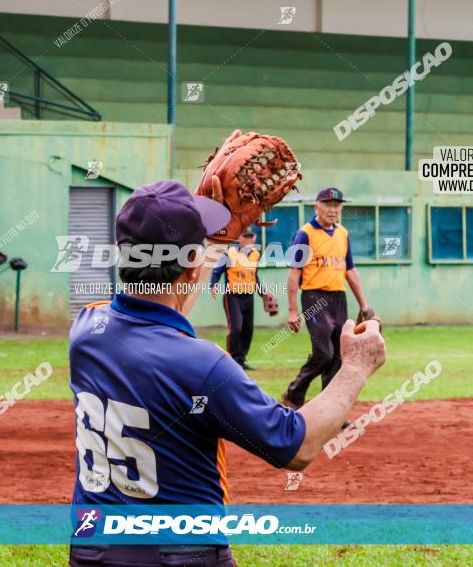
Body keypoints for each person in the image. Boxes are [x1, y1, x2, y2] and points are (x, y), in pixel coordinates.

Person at [68, 180, 386, 566]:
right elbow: (295, 446)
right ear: (189, 267)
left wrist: (215, 238)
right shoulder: (203, 365)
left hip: (92, 552)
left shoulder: (87, 329)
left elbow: (160, 314)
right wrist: (356, 366)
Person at [281, 187, 373, 410]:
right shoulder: (305, 234)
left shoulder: (343, 233)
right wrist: (293, 310)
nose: (333, 210)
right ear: (317, 207)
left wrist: (364, 305)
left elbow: (349, 271)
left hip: (338, 298)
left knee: (339, 356)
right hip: (314, 298)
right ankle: (293, 395)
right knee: (324, 353)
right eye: (328, 205)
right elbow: (294, 273)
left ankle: (330, 409)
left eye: (337, 205)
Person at [210, 230, 262, 370]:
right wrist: (213, 285)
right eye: (246, 236)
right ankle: (232, 359)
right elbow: (217, 271)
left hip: (249, 295)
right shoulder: (229, 253)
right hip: (232, 295)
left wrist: (263, 293)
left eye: (251, 236)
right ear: (239, 238)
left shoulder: (256, 254)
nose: (250, 239)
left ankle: (241, 359)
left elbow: (254, 276)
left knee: (247, 329)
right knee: (236, 328)